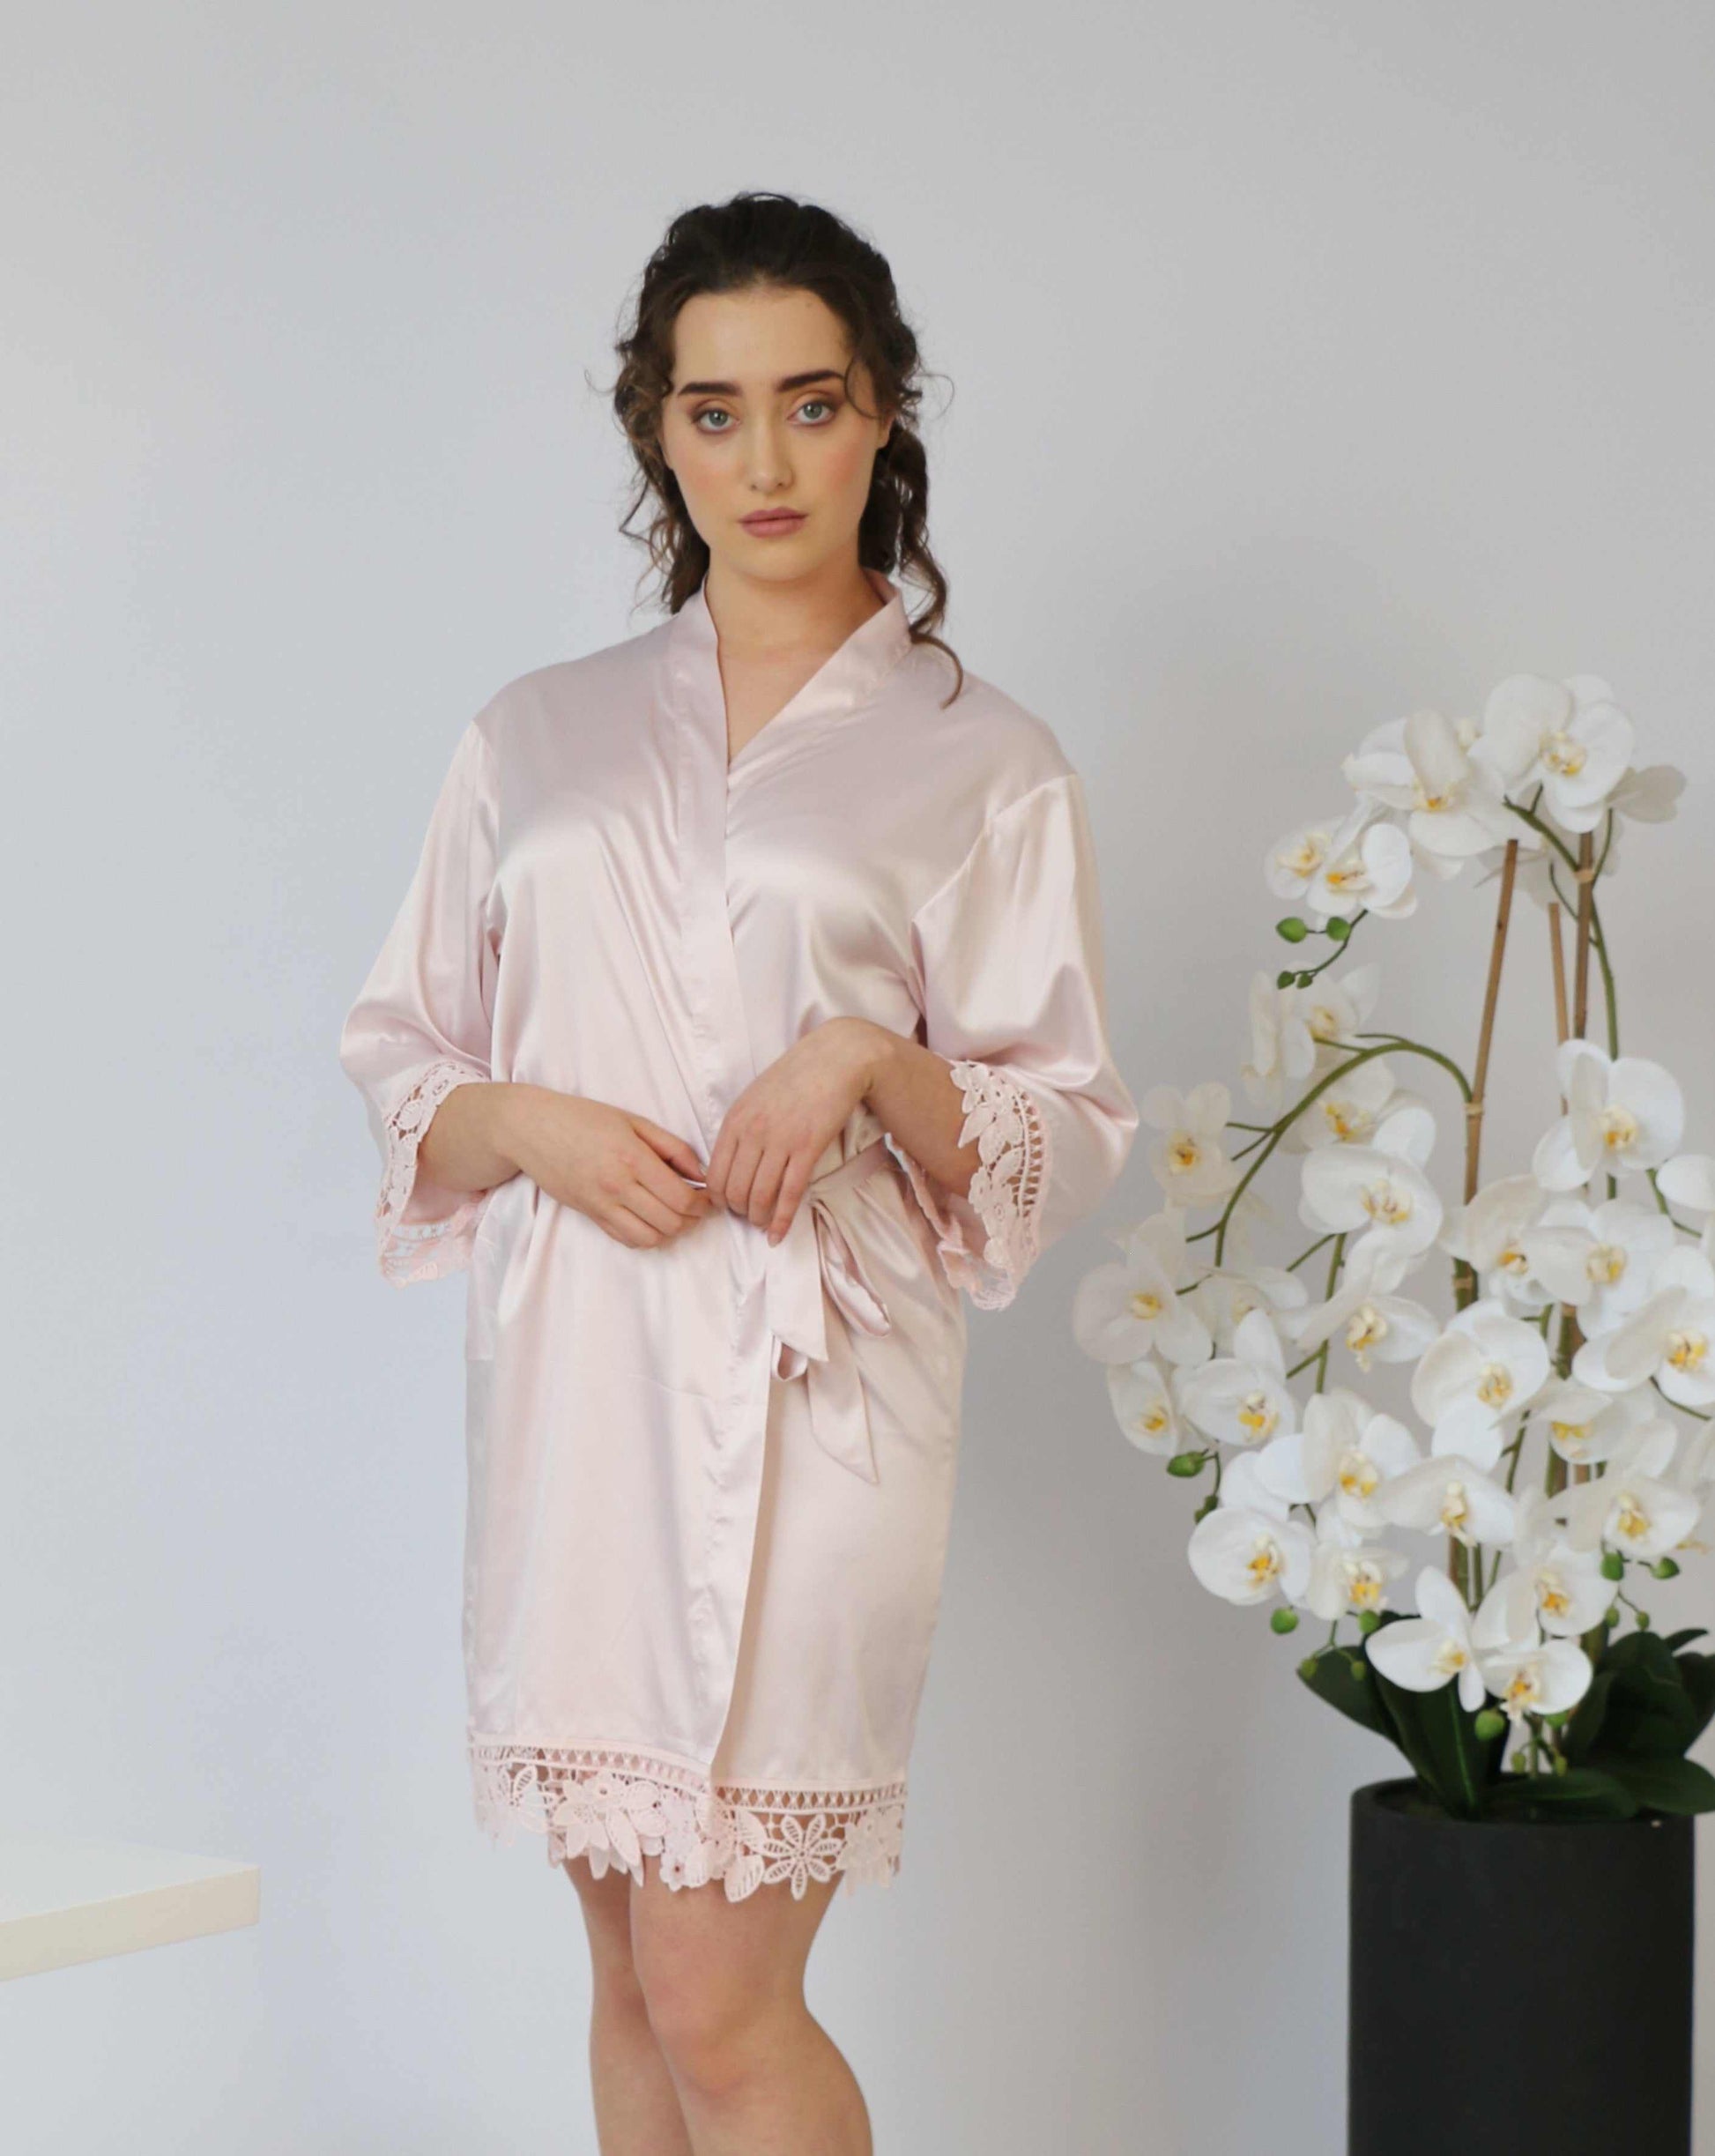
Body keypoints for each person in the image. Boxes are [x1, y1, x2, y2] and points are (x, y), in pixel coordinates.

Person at [337, 190, 1137, 2156]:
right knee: (627, 1980)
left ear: (882, 416)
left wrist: (867, 1057)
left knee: (719, 1989)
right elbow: (404, 1058)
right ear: (657, 430)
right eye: (714, 411)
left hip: (817, 1403)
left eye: (810, 402)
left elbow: (1063, 1118)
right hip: (576, 1389)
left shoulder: (982, 756)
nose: (763, 459)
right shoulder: (536, 733)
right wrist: (529, 1121)